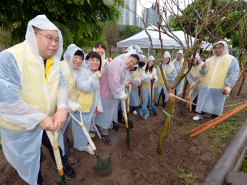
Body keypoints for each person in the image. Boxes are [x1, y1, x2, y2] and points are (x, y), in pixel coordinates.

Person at [0, 15, 75, 185]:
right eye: (49, 38)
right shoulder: (11, 58)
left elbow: (61, 85)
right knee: (31, 156)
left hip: (47, 120)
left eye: (57, 39)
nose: (54, 43)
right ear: (33, 36)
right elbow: (7, 104)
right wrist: (40, 118)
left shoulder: (54, 62)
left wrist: (62, 108)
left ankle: (63, 166)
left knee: (54, 145)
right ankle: (37, 179)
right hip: (19, 125)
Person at [95, 50, 139, 144]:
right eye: (131, 60)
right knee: (105, 114)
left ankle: (109, 126)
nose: (131, 64)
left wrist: (124, 86)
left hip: (112, 93)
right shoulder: (117, 62)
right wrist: (121, 94)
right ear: (127, 56)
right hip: (106, 92)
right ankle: (104, 134)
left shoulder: (124, 66)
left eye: (134, 63)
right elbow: (114, 81)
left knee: (111, 111)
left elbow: (120, 80)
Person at [193, 41, 240, 121]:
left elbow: (233, 73)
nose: (217, 49)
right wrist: (203, 69)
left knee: (217, 103)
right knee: (203, 100)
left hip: (219, 86)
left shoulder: (231, 60)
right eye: (215, 48)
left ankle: (214, 118)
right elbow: (202, 72)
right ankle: (200, 114)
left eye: (220, 47)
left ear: (224, 48)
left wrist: (229, 86)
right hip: (206, 85)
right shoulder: (209, 60)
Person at [70, 52, 103, 154]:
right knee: (80, 128)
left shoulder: (93, 72)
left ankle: (85, 137)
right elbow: (85, 88)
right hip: (81, 105)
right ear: (87, 60)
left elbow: (96, 90)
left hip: (89, 105)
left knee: (85, 125)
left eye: (97, 60)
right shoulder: (83, 71)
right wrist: (94, 78)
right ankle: (81, 146)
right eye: (92, 59)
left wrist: (97, 104)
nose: (95, 62)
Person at [60, 44, 84, 164]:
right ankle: (65, 155)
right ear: (69, 55)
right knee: (60, 132)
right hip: (58, 107)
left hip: (66, 105)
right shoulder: (61, 68)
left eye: (81, 58)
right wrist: (69, 103)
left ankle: (64, 145)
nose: (78, 61)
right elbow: (56, 91)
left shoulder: (73, 69)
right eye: (76, 57)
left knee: (64, 131)